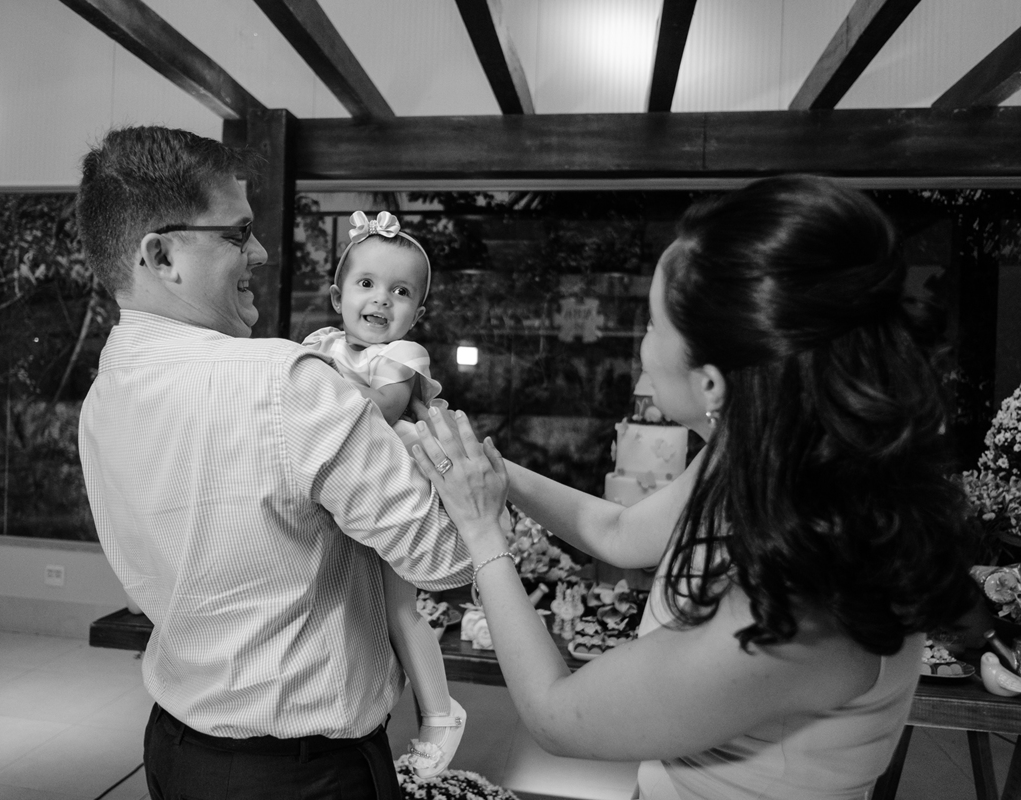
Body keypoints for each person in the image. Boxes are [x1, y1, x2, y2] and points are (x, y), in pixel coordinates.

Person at [406, 175, 980, 800]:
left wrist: (483, 532)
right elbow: (618, 532)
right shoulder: (767, 458)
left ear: (711, 383)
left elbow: (554, 714)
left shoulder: (801, 606)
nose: (641, 348)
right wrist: (480, 462)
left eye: (652, 325)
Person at [74, 125, 473, 800]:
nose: (259, 251)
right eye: (237, 234)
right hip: (300, 774)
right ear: (161, 255)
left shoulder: (101, 397)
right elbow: (449, 558)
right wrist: (445, 458)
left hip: (175, 751)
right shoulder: (286, 381)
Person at [302, 209, 465, 778]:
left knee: (400, 607)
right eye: (366, 283)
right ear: (337, 296)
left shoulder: (402, 356)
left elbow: (383, 408)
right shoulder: (321, 343)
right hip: (337, 491)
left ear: (416, 314)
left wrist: (317, 389)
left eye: (400, 291)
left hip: (393, 492)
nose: (381, 299)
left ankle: (441, 711)